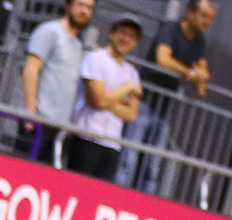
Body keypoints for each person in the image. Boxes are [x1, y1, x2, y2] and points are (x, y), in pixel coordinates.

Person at [123, 0, 213, 190]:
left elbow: (202, 85)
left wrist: (198, 76)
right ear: (190, 13)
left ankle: (145, 205)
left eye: (211, 19)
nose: (208, 22)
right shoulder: (170, 29)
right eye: (204, 16)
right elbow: (163, 59)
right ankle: (115, 198)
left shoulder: (200, 42)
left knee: (152, 166)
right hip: (143, 102)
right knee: (128, 159)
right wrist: (190, 73)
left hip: (164, 108)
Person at [70, 18, 144, 181]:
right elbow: (97, 100)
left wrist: (106, 98)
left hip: (112, 144)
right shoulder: (96, 58)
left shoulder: (132, 73)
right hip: (86, 136)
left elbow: (131, 114)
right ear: (112, 33)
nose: (125, 39)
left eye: (131, 36)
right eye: (122, 33)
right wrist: (126, 89)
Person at [22, 0, 93, 164]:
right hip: (40, 119)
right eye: (80, 5)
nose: (84, 11)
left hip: (60, 127)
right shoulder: (50, 31)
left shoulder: (78, 44)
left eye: (89, 8)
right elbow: (31, 69)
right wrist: (30, 111)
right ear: (68, 6)